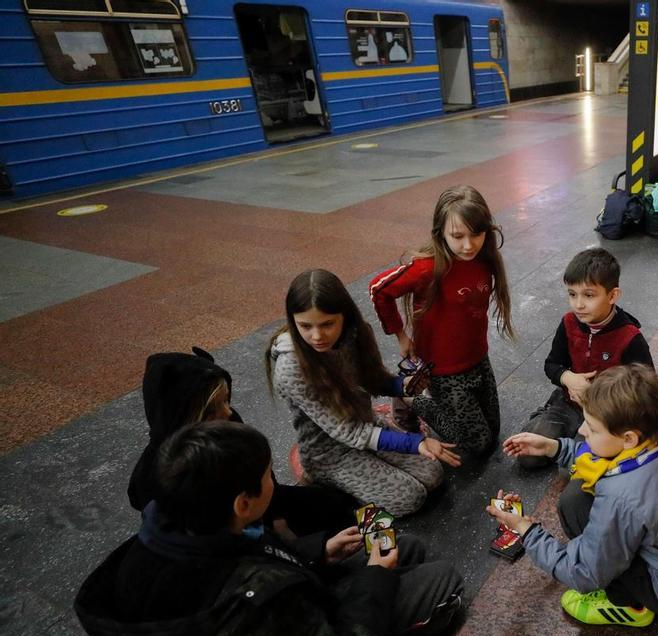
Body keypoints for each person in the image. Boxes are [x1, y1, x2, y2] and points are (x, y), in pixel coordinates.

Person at [75, 421, 464, 636]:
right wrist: (377, 577)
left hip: (292, 629)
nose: (273, 484)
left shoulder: (172, 530)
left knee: (406, 546)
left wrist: (318, 553)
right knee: (443, 579)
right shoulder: (248, 600)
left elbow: (255, 556)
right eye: (266, 477)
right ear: (242, 503)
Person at [491, 364, 658, 628]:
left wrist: (528, 532)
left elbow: (584, 572)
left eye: (594, 429)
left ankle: (630, 605)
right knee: (575, 500)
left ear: (629, 438)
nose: (583, 431)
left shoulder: (624, 496)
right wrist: (555, 447)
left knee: (577, 508)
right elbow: (605, 456)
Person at [267, 269, 460, 517]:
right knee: (410, 498)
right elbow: (349, 433)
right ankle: (326, 482)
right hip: (329, 452)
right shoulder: (291, 368)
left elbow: (374, 379)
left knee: (433, 474)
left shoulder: (355, 333)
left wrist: (404, 384)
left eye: (327, 324)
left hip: (366, 426)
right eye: (305, 326)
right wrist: (415, 442)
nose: (316, 336)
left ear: (344, 317)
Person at [127, 347, 357, 537]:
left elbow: (264, 476)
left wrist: (277, 516)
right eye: (211, 411)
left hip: (261, 502)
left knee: (338, 505)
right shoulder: (154, 478)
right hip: (234, 532)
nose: (228, 412)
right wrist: (298, 549)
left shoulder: (227, 421)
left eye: (226, 400)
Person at [369, 185, 516, 455]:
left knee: (492, 432)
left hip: (478, 360)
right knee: (476, 442)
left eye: (477, 234)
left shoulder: (484, 258)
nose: (468, 245)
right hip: (444, 370)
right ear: (440, 232)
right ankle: (410, 396)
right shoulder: (427, 268)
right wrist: (401, 334)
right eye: (457, 236)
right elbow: (379, 289)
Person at [516, 247, 654, 470]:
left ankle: (572, 441)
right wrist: (567, 378)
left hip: (607, 417)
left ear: (612, 295)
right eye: (572, 294)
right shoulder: (569, 323)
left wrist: (603, 399)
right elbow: (552, 364)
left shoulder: (630, 338)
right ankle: (553, 421)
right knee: (528, 457)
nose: (578, 304)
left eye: (588, 295)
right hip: (569, 404)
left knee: (584, 468)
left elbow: (645, 391)